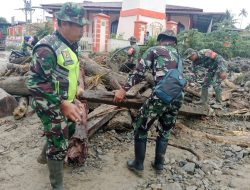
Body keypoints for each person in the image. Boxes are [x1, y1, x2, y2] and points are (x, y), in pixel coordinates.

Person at [26, 2, 88, 189]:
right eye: (78, 25)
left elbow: (70, 71)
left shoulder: (70, 44)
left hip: (63, 100)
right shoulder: (46, 47)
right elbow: (35, 83)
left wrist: (74, 94)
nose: (82, 30)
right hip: (47, 101)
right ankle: (57, 185)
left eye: (83, 25)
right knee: (59, 144)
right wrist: (63, 104)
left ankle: (44, 155)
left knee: (67, 127)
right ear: (63, 24)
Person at [114, 30, 184, 174]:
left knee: (141, 125)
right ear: (174, 42)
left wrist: (123, 90)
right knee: (165, 130)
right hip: (178, 96)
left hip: (161, 96)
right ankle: (159, 165)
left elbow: (138, 73)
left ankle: (138, 164)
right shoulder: (179, 56)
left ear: (160, 40)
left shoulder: (154, 50)